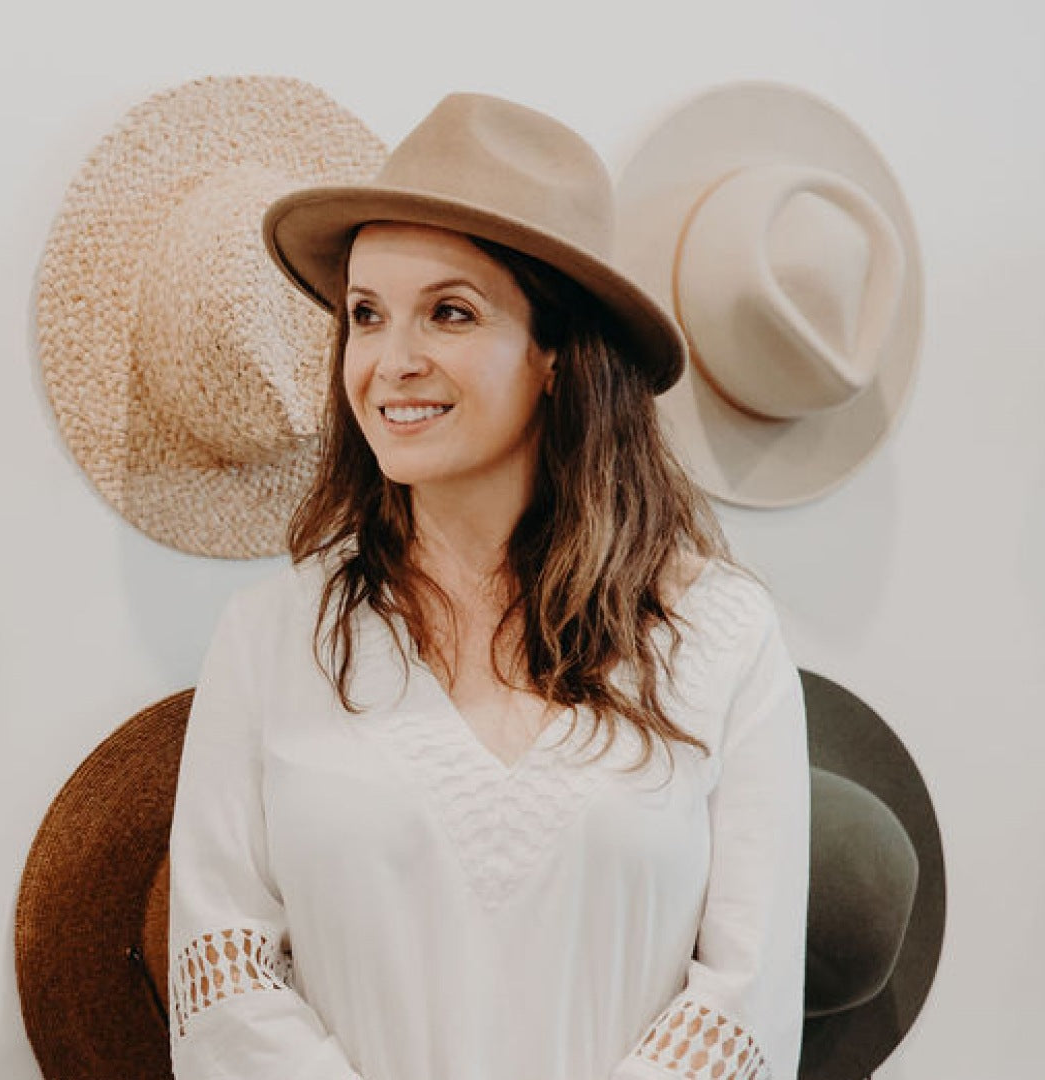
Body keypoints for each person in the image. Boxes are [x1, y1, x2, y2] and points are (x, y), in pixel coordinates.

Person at [166, 92, 810, 1080]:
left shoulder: (720, 637)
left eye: (450, 312)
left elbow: (744, 1004)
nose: (391, 361)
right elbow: (222, 974)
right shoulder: (271, 639)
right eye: (366, 315)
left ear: (556, 352)